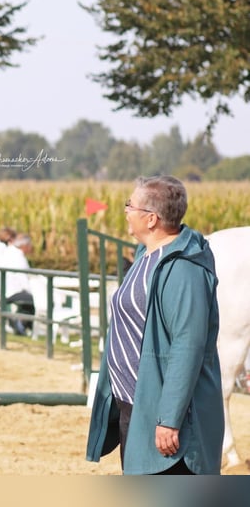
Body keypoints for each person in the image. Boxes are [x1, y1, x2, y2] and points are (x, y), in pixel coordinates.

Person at [86, 175, 223, 475]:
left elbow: (188, 346)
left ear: (151, 219)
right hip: (134, 405)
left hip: (162, 413)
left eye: (130, 205)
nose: (125, 211)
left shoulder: (185, 269)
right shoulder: (145, 256)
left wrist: (169, 418)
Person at [0, 232, 36, 336]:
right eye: (30, 245)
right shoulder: (18, 257)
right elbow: (23, 279)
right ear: (25, 245)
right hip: (11, 292)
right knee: (34, 300)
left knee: (29, 301)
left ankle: (21, 325)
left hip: (4, 290)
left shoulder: (9, 252)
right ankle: (20, 325)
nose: (30, 248)